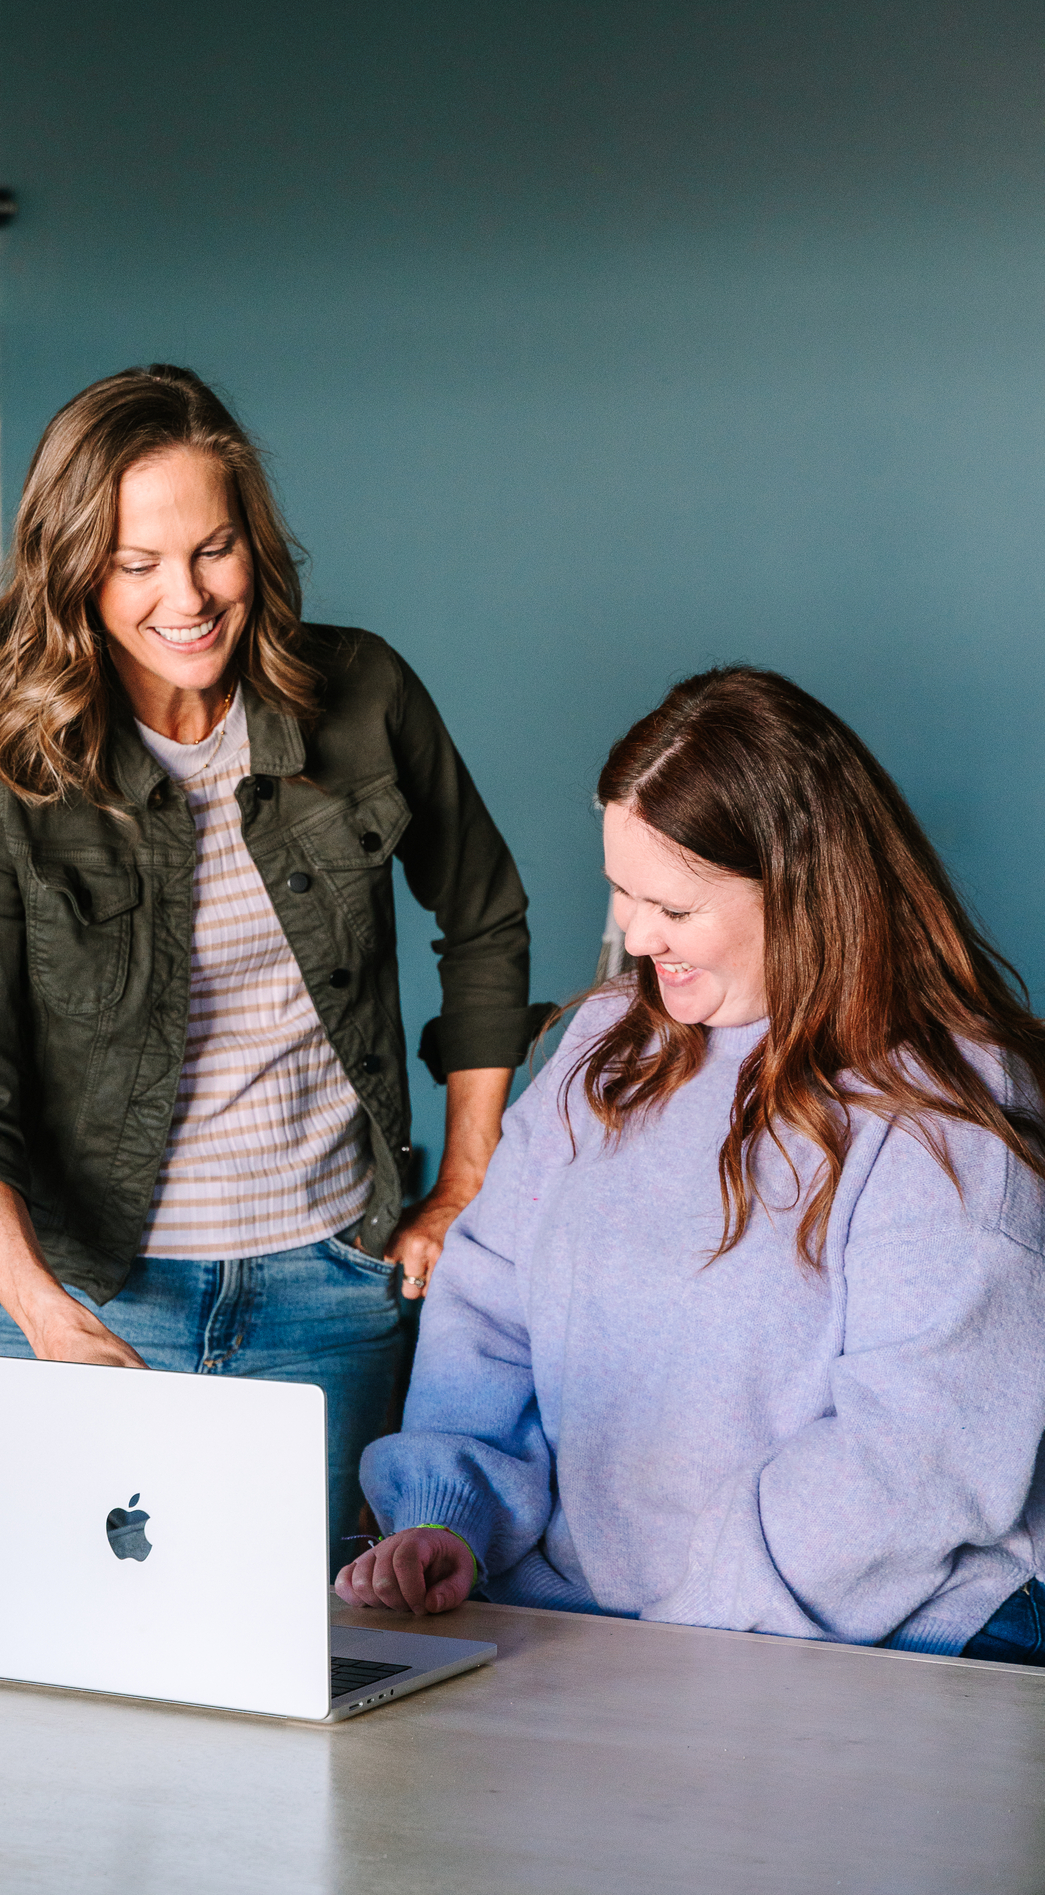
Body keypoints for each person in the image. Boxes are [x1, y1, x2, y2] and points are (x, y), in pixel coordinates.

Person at [0, 364, 546, 1575]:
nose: (184, 596)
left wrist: (465, 1182)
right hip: (87, 1299)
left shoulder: (366, 695)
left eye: (214, 548)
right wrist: (44, 1318)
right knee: (56, 1689)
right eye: (135, 562)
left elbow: (488, 919)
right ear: (74, 567)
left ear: (258, 544)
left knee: (334, 1678)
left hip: (332, 1294)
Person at [339, 666, 1045, 1665]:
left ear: (798, 891)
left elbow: (914, 1458)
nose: (633, 934)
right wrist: (446, 1518)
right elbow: (489, 1312)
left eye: (671, 905)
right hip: (609, 1633)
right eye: (621, 892)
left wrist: (684, 1635)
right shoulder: (601, 1048)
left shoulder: (946, 1110)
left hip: (889, 1643)